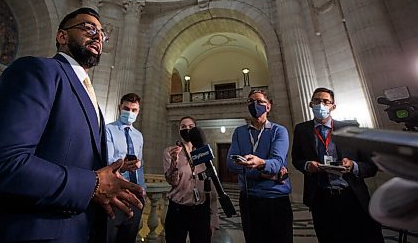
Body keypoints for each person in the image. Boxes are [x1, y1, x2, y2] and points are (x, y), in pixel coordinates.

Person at [0, 7, 143, 243]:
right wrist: (94, 183)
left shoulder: (94, 101)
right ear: (62, 36)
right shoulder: (37, 70)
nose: (98, 36)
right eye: (88, 28)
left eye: (102, 33)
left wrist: (107, 174)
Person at [291, 87, 384, 243]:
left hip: (352, 196)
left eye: (326, 101)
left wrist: (353, 165)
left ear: (333, 106)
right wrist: (307, 165)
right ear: (310, 104)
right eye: (317, 100)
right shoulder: (302, 130)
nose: (321, 104)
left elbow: (371, 166)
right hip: (321, 198)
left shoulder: (351, 129)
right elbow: (297, 159)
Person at [226, 89, 293, 243]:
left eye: (259, 102)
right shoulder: (239, 132)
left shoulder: (279, 131)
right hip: (249, 199)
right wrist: (263, 172)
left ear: (268, 106)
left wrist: (260, 164)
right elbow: (231, 163)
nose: (254, 105)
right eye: (250, 101)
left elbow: (276, 163)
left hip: (275, 198)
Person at [163, 116, 219, 243]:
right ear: (179, 130)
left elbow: (212, 185)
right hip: (178, 209)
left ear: (196, 129)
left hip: (200, 210)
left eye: (191, 127)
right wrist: (174, 163)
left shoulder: (203, 152)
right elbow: (173, 182)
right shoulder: (170, 152)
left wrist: (214, 217)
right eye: (183, 127)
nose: (187, 129)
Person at [105, 92, 146, 243]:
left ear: (138, 111)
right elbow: (107, 162)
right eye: (126, 108)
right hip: (116, 193)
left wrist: (143, 189)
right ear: (119, 108)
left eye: (134, 110)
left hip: (135, 194)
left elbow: (141, 165)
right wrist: (123, 167)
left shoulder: (139, 135)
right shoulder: (108, 130)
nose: (130, 113)